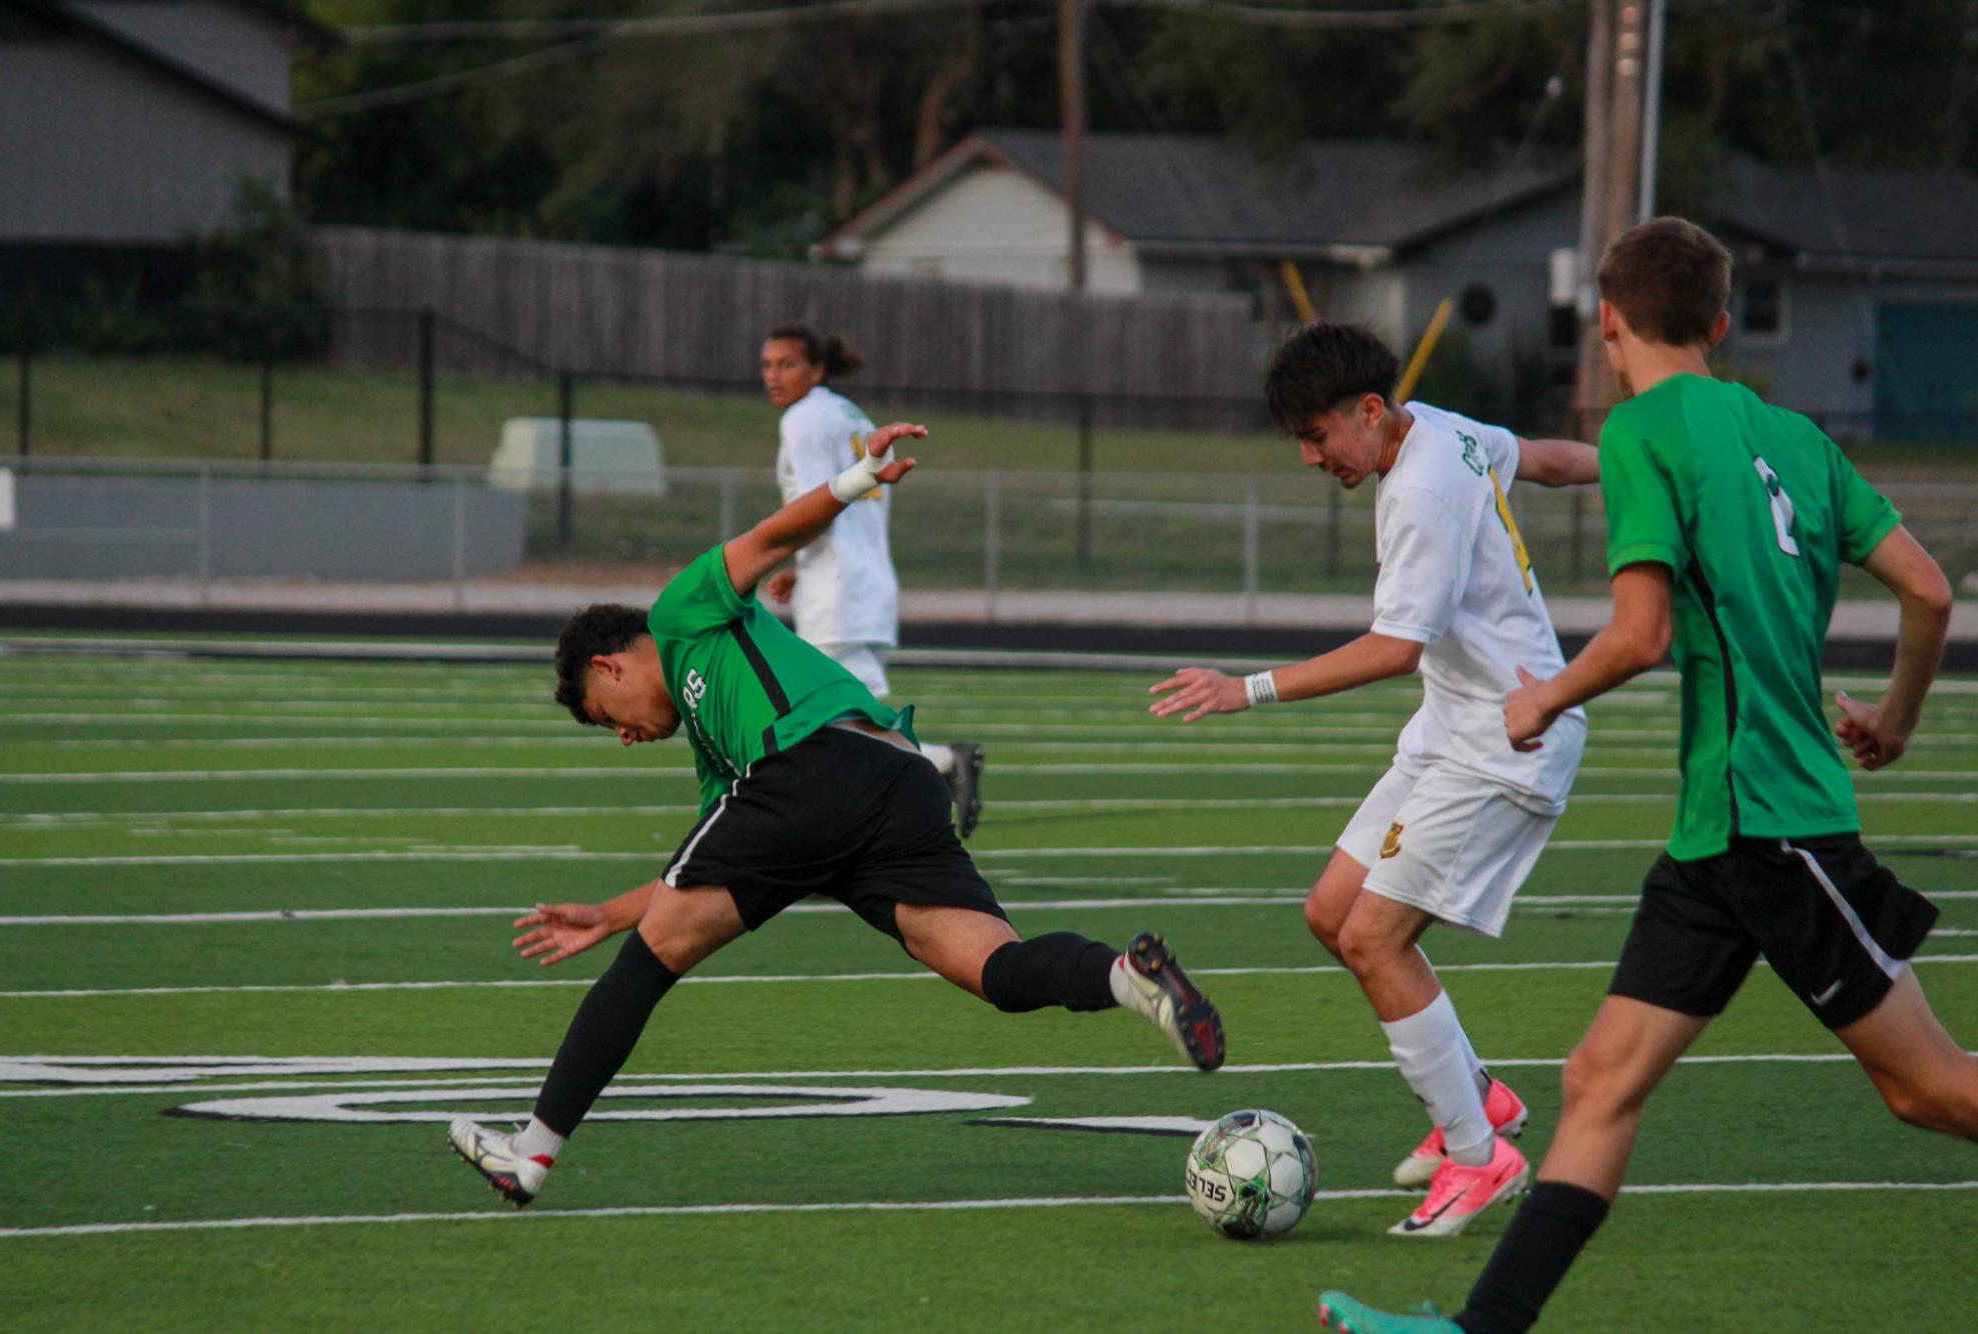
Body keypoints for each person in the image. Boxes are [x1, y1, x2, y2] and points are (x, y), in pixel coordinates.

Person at [1318, 219, 1971, 1333]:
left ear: (1607, 319)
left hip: (1775, 823)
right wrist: (1896, 722)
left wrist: (1544, 694)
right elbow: (1928, 591)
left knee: (1923, 1086)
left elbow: (1639, 634)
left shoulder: (1642, 432)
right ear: (1720, 324)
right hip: (1717, 837)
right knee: (1599, 1079)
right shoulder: (1796, 437)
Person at [449, 418, 1225, 1208]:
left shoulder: (680, 613)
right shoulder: (720, 758)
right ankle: (1126, 976)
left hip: (813, 770)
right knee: (996, 969)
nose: (620, 736)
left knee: (646, 971)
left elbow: (774, 533)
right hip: (897, 779)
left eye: (602, 714)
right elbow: (709, 878)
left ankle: (531, 1154)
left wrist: (855, 482)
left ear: (609, 666)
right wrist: (612, 915)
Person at [1147, 322, 1600, 1238]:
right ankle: (1476, 1099)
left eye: (1317, 437)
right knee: (1331, 913)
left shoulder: (1423, 484)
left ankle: (1477, 1160)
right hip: (1450, 727)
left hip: (1506, 740)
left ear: (1366, 410)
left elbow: (1396, 649)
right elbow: (1547, 461)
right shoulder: (1436, 428)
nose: (1312, 458)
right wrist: (1639, 464)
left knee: (1373, 940)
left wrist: (1249, 690)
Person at [761, 324, 984, 838]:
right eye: (768, 365)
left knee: (828, 727)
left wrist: (781, 552)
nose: (774, 376)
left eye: (786, 364)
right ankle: (859, 833)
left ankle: (942, 763)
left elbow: (821, 500)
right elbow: (842, 502)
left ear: (815, 369)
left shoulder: (806, 417)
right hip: (859, 583)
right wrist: (801, 563)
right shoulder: (848, 414)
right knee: (838, 724)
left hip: (839, 592)